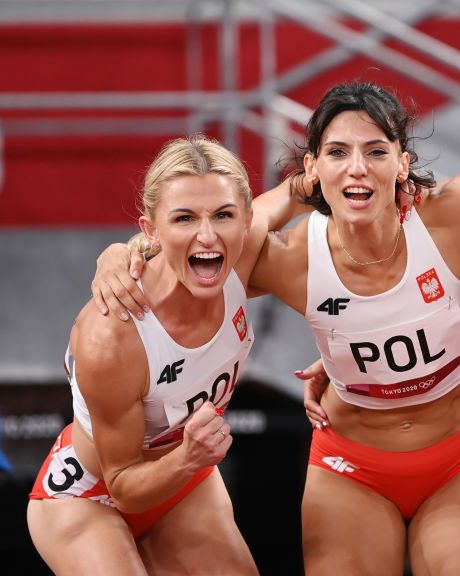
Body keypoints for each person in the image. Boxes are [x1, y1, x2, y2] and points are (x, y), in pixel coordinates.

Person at [93, 82, 460, 575]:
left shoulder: (451, 210)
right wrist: (121, 256)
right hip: (352, 469)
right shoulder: (291, 258)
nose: (357, 168)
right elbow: (198, 242)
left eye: (376, 151)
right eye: (337, 152)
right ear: (313, 167)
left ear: (402, 162)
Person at [26, 135, 274, 574]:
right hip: (91, 495)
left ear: (247, 220)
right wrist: (188, 457)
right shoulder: (113, 334)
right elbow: (122, 485)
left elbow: (308, 188)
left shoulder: (241, 257)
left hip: (183, 480)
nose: (207, 235)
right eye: (184, 218)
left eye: (223, 215)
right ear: (150, 229)